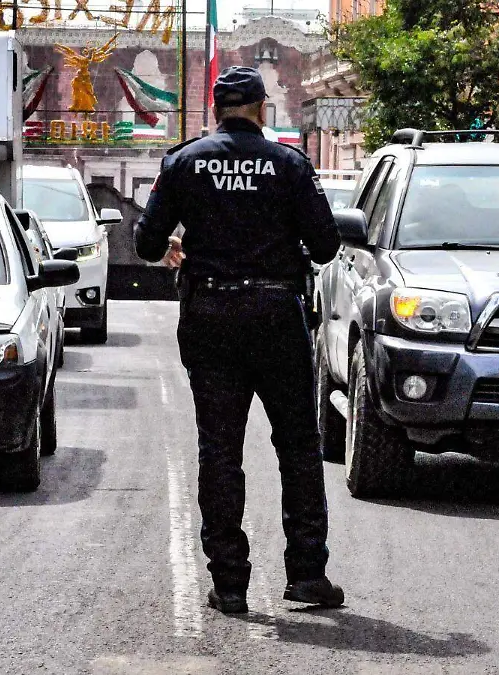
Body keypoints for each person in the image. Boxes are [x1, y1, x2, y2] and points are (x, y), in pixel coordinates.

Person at [134, 66, 343, 614]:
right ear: (262, 109)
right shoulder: (290, 165)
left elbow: (147, 242)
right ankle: (307, 574)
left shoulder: (183, 162)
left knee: (220, 448)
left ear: (215, 110)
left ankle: (229, 584)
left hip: (210, 316)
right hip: (276, 316)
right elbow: (326, 246)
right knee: (297, 446)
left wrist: (180, 242)